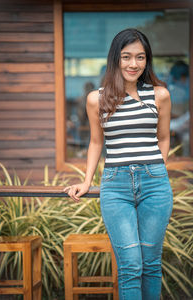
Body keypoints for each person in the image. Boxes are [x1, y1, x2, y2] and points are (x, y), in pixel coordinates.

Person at [64, 28, 173, 300]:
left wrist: (158, 169)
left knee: (150, 264)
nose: (133, 64)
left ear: (147, 61)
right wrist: (87, 182)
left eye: (140, 57)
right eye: (126, 57)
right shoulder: (97, 99)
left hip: (155, 185)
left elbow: (164, 137)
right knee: (130, 265)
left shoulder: (159, 96)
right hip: (116, 187)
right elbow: (96, 143)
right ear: (116, 59)